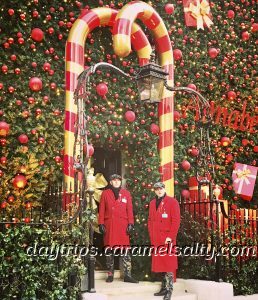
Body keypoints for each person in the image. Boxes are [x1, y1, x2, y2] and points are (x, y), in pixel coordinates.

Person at [98, 174, 138, 283]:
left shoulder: (126, 193)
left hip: (122, 225)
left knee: (125, 251)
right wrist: (101, 223)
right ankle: (110, 274)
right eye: (114, 180)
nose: (116, 182)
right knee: (109, 251)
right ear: (110, 182)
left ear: (120, 182)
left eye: (118, 180)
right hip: (110, 225)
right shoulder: (105, 193)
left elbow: (129, 210)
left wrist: (131, 223)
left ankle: (127, 275)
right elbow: (101, 210)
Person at [148, 182, 180, 300]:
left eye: (161, 188)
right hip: (156, 238)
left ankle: (169, 290)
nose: (159, 190)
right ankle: (163, 288)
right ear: (154, 190)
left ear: (164, 189)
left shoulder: (172, 202)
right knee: (161, 264)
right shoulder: (152, 203)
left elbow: (176, 221)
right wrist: (152, 236)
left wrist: (170, 237)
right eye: (157, 189)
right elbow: (150, 220)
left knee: (168, 264)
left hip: (167, 238)